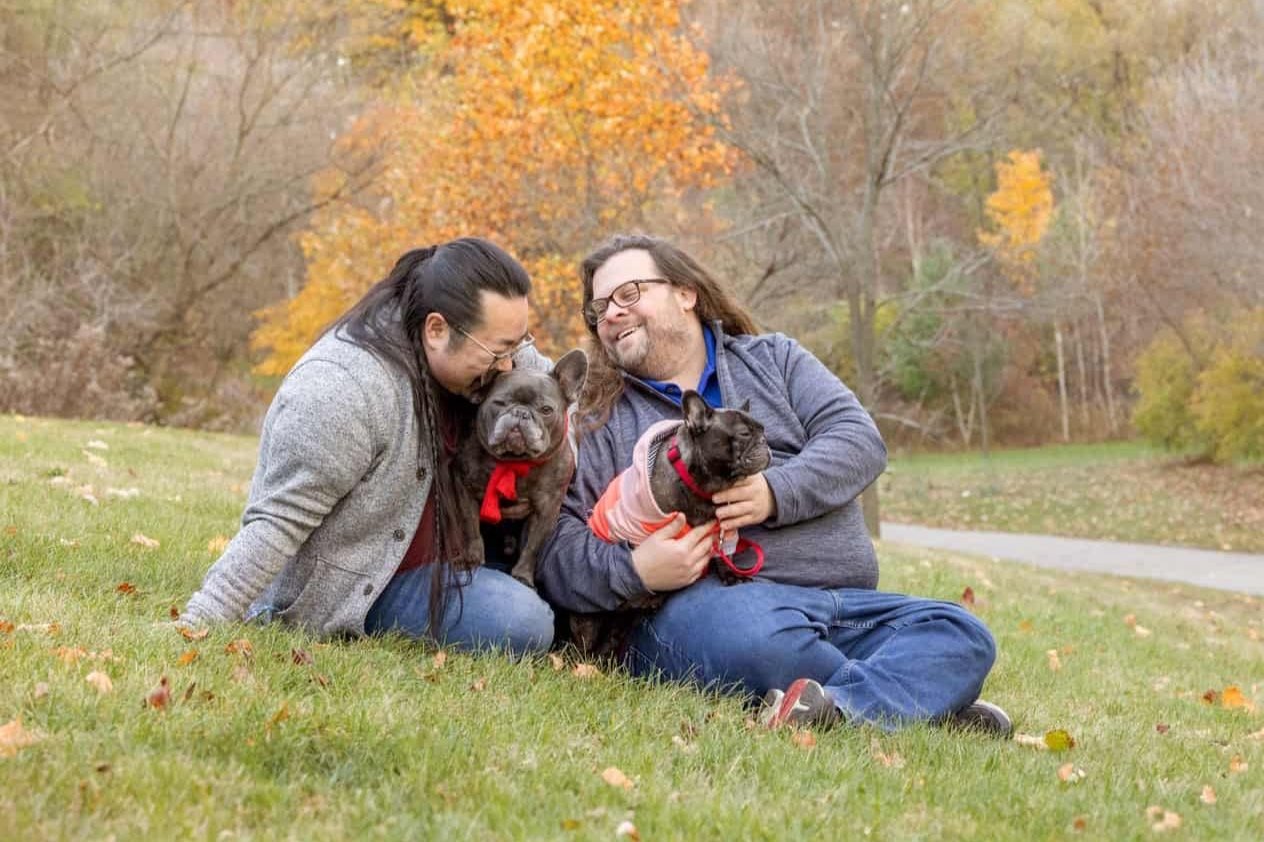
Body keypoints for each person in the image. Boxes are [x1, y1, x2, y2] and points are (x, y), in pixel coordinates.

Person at [536, 233, 1012, 734]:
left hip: (837, 605)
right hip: (710, 617)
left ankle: (847, 706)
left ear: (685, 292)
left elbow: (859, 441)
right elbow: (556, 551)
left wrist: (775, 492)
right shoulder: (594, 417)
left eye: (629, 294)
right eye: (600, 307)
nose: (610, 313)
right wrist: (635, 569)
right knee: (755, 638)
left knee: (963, 634)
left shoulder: (774, 359)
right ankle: (916, 700)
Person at [180, 238, 556, 656]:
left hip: (464, 551)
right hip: (368, 580)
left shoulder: (490, 348)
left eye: (518, 345)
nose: (511, 365)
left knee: (556, 583)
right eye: (501, 351)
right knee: (523, 621)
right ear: (437, 330)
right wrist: (200, 622)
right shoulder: (342, 391)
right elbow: (276, 523)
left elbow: (555, 390)